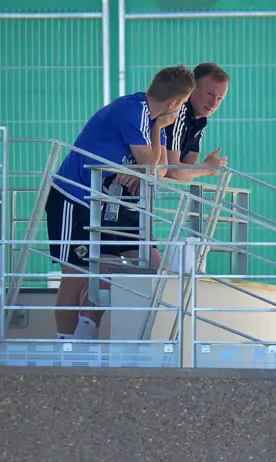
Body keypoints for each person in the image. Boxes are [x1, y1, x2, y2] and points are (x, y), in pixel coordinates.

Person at [44, 64, 196, 340]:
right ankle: (65, 344)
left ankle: (83, 334)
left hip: (103, 201)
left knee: (105, 270)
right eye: (183, 104)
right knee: (76, 273)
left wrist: (152, 145)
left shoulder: (152, 120)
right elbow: (152, 166)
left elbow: (158, 171)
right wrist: (147, 159)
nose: (180, 110)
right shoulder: (133, 111)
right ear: (174, 102)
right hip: (73, 197)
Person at [164, 62, 231, 181]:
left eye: (220, 98)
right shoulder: (178, 111)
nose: (214, 103)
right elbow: (171, 171)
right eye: (210, 94)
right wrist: (207, 168)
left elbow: (186, 173)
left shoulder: (200, 120)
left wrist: (201, 168)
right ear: (193, 89)